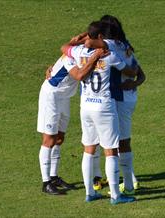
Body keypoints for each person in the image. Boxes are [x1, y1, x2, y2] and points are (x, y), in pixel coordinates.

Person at [61, 21, 137, 204]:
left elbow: (65, 48)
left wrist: (78, 40)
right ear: (102, 37)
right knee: (110, 150)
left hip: (85, 106)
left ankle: (90, 193)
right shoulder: (109, 56)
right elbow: (130, 71)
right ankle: (116, 196)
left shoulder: (79, 52)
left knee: (89, 149)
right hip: (104, 106)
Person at [83, 15, 146, 194]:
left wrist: (84, 36)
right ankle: (128, 180)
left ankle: (128, 184)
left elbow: (87, 44)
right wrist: (133, 83)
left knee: (117, 144)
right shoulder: (125, 46)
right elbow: (140, 74)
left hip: (118, 99)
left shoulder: (108, 45)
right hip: (129, 97)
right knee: (122, 141)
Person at [37, 47, 106, 195]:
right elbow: (79, 75)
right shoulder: (71, 57)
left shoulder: (81, 55)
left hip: (64, 97)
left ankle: (54, 177)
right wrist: (95, 58)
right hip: (51, 96)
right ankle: (46, 182)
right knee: (49, 139)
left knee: (60, 137)